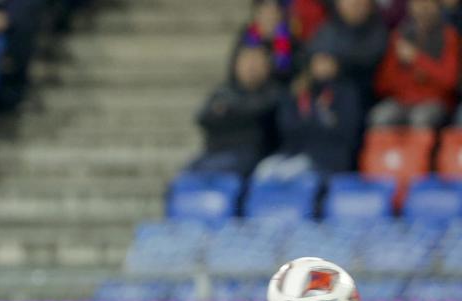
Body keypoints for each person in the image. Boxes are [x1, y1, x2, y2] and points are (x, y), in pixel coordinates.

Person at [252, 48, 363, 180]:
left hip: (329, 158)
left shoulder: (346, 92)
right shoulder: (298, 91)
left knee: (285, 174)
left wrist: (313, 120)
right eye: (319, 61)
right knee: (264, 169)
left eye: (328, 61)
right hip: (293, 153)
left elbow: (346, 132)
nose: (323, 67)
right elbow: (287, 127)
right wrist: (319, 122)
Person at [185, 45, 281, 177]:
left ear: (267, 66)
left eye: (255, 62)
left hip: (249, 153)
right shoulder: (224, 91)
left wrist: (228, 111)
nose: (250, 68)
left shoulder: (273, 93)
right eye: (246, 62)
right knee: (185, 174)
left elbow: (258, 114)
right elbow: (203, 117)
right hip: (216, 150)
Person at [370, 0, 458, 129]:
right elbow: (382, 83)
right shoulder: (399, 35)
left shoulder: (449, 36)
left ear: (437, 6)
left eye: (428, 3)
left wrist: (417, 59)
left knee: (421, 118)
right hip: (402, 99)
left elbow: (450, 80)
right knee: (381, 116)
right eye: (417, 3)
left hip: (434, 100)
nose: (422, 8)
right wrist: (410, 78)